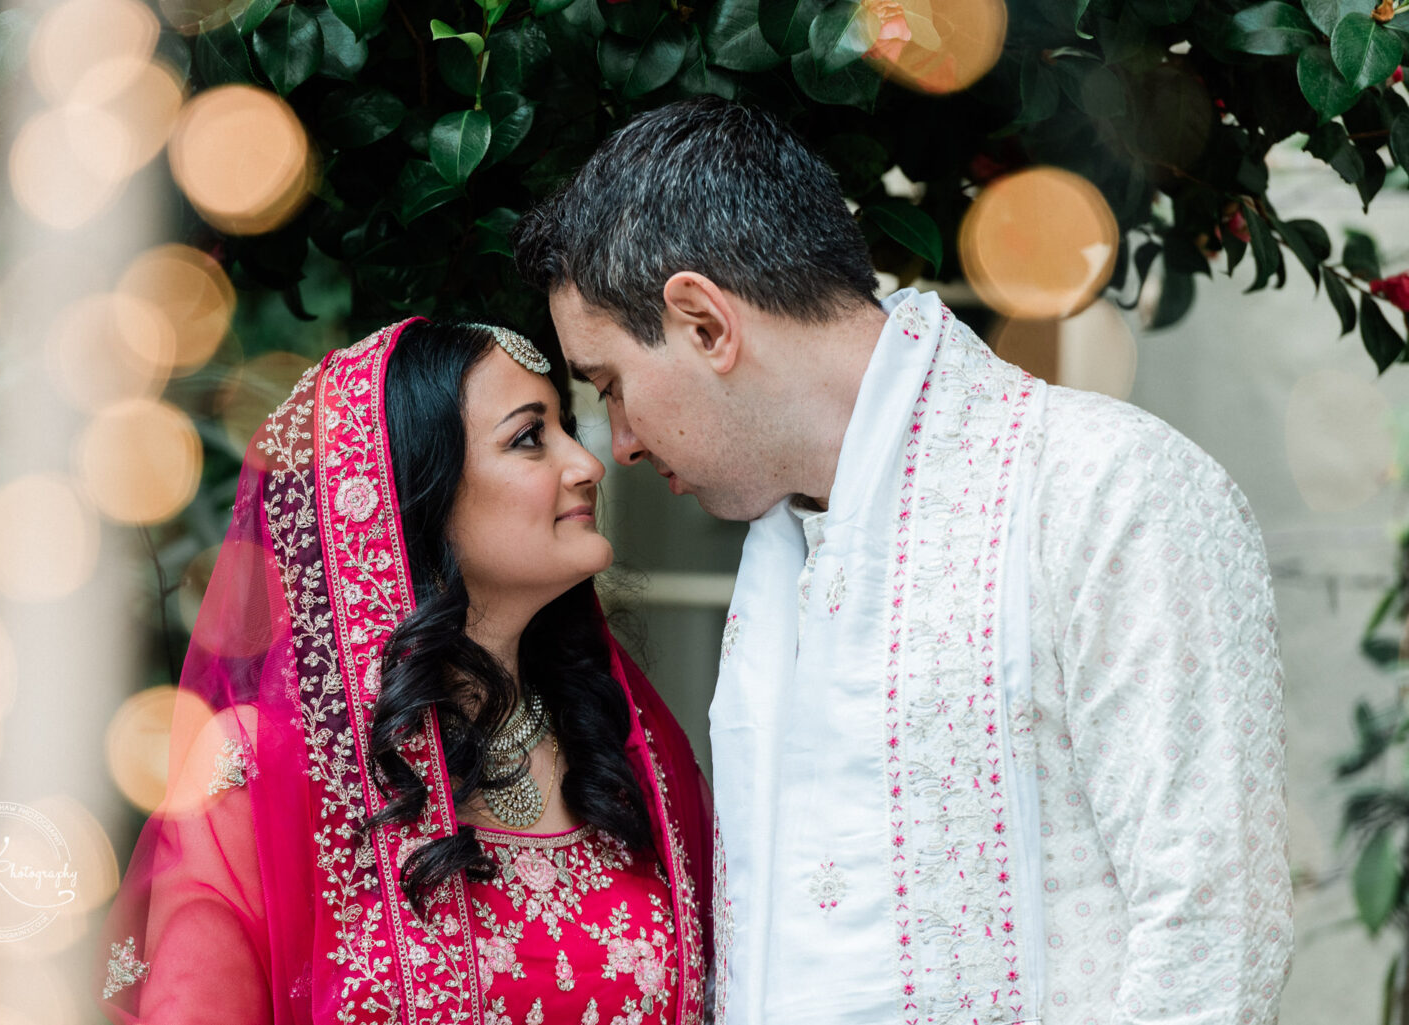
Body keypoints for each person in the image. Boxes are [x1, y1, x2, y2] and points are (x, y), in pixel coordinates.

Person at [513, 97, 1292, 1024]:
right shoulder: (785, 553)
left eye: (611, 386)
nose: (622, 441)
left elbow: (1214, 935)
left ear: (705, 323)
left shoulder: (1103, 487)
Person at [97, 319, 712, 1025]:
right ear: (413, 493)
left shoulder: (622, 749)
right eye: (529, 438)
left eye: (567, 428)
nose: (587, 464)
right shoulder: (265, 767)